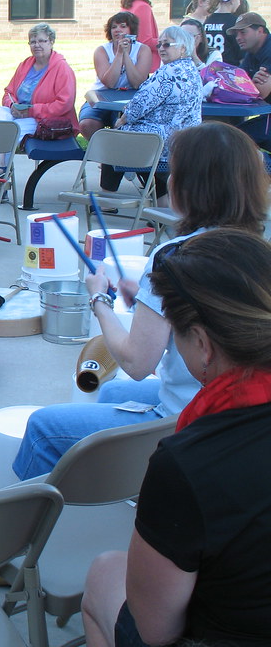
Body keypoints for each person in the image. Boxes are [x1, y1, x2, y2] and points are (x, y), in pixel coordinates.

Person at [13, 122, 268, 479]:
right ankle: (130, 484)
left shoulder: (175, 257)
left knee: (43, 428)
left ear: (189, 186)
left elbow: (136, 362)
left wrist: (99, 298)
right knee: (111, 392)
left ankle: (27, 526)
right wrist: (150, 295)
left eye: (174, 173)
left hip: (190, 416)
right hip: (248, 410)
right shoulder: (259, 248)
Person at [81, 229, 271, 647]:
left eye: (174, 338)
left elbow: (155, 629)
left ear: (203, 343)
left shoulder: (188, 463)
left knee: (103, 573)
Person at [0, 22, 78, 204]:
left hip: (47, 120)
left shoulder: (61, 68)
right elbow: (8, 91)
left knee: (9, 129)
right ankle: (0, 168)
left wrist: (31, 110)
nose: (37, 45)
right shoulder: (25, 65)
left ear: (51, 42)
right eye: (33, 42)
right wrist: (11, 106)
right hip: (20, 114)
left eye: (42, 41)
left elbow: (64, 104)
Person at [105, 25, 203, 200]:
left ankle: (106, 199)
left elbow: (140, 104)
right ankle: (162, 203)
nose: (161, 49)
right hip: (187, 139)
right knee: (136, 142)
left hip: (161, 142)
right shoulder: (193, 70)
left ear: (182, 48)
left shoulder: (168, 72)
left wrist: (124, 118)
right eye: (159, 45)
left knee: (111, 139)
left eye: (167, 45)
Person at [79, 12, 154, 143]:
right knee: (87, 124)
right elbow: (110, 83)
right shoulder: (101, 51)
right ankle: (104, 155)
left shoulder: (143, 50)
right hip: (102, 96)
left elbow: (137, 83)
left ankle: (115, 158)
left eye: (123, 26)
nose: (118, 30)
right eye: (114, 27)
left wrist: (127, 55)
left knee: (123, 126)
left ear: (131, 30)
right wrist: (119, 54)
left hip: (130, 99)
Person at [227, 12, 271, 150]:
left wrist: (248, 84)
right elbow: (235, 83)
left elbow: (261, 92)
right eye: (236, 34)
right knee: (229, 135)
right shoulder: (251, 52)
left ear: (260, 30)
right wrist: (251, 82)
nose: (238, 38)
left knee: (232, 139)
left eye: (243, 32)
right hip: (267, 116)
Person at [120, 0, 160, 73]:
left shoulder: (127, 5)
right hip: (141, 63)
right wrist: (166, 42)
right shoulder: (142, 7)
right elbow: (145, 41)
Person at [203, 0, 243, 66]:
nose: (239, 3)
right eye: (239, 0)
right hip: (228, 70)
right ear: (232, 0)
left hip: (209, 70)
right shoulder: (235, 22)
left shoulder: (207, 20)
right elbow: (240, 52)